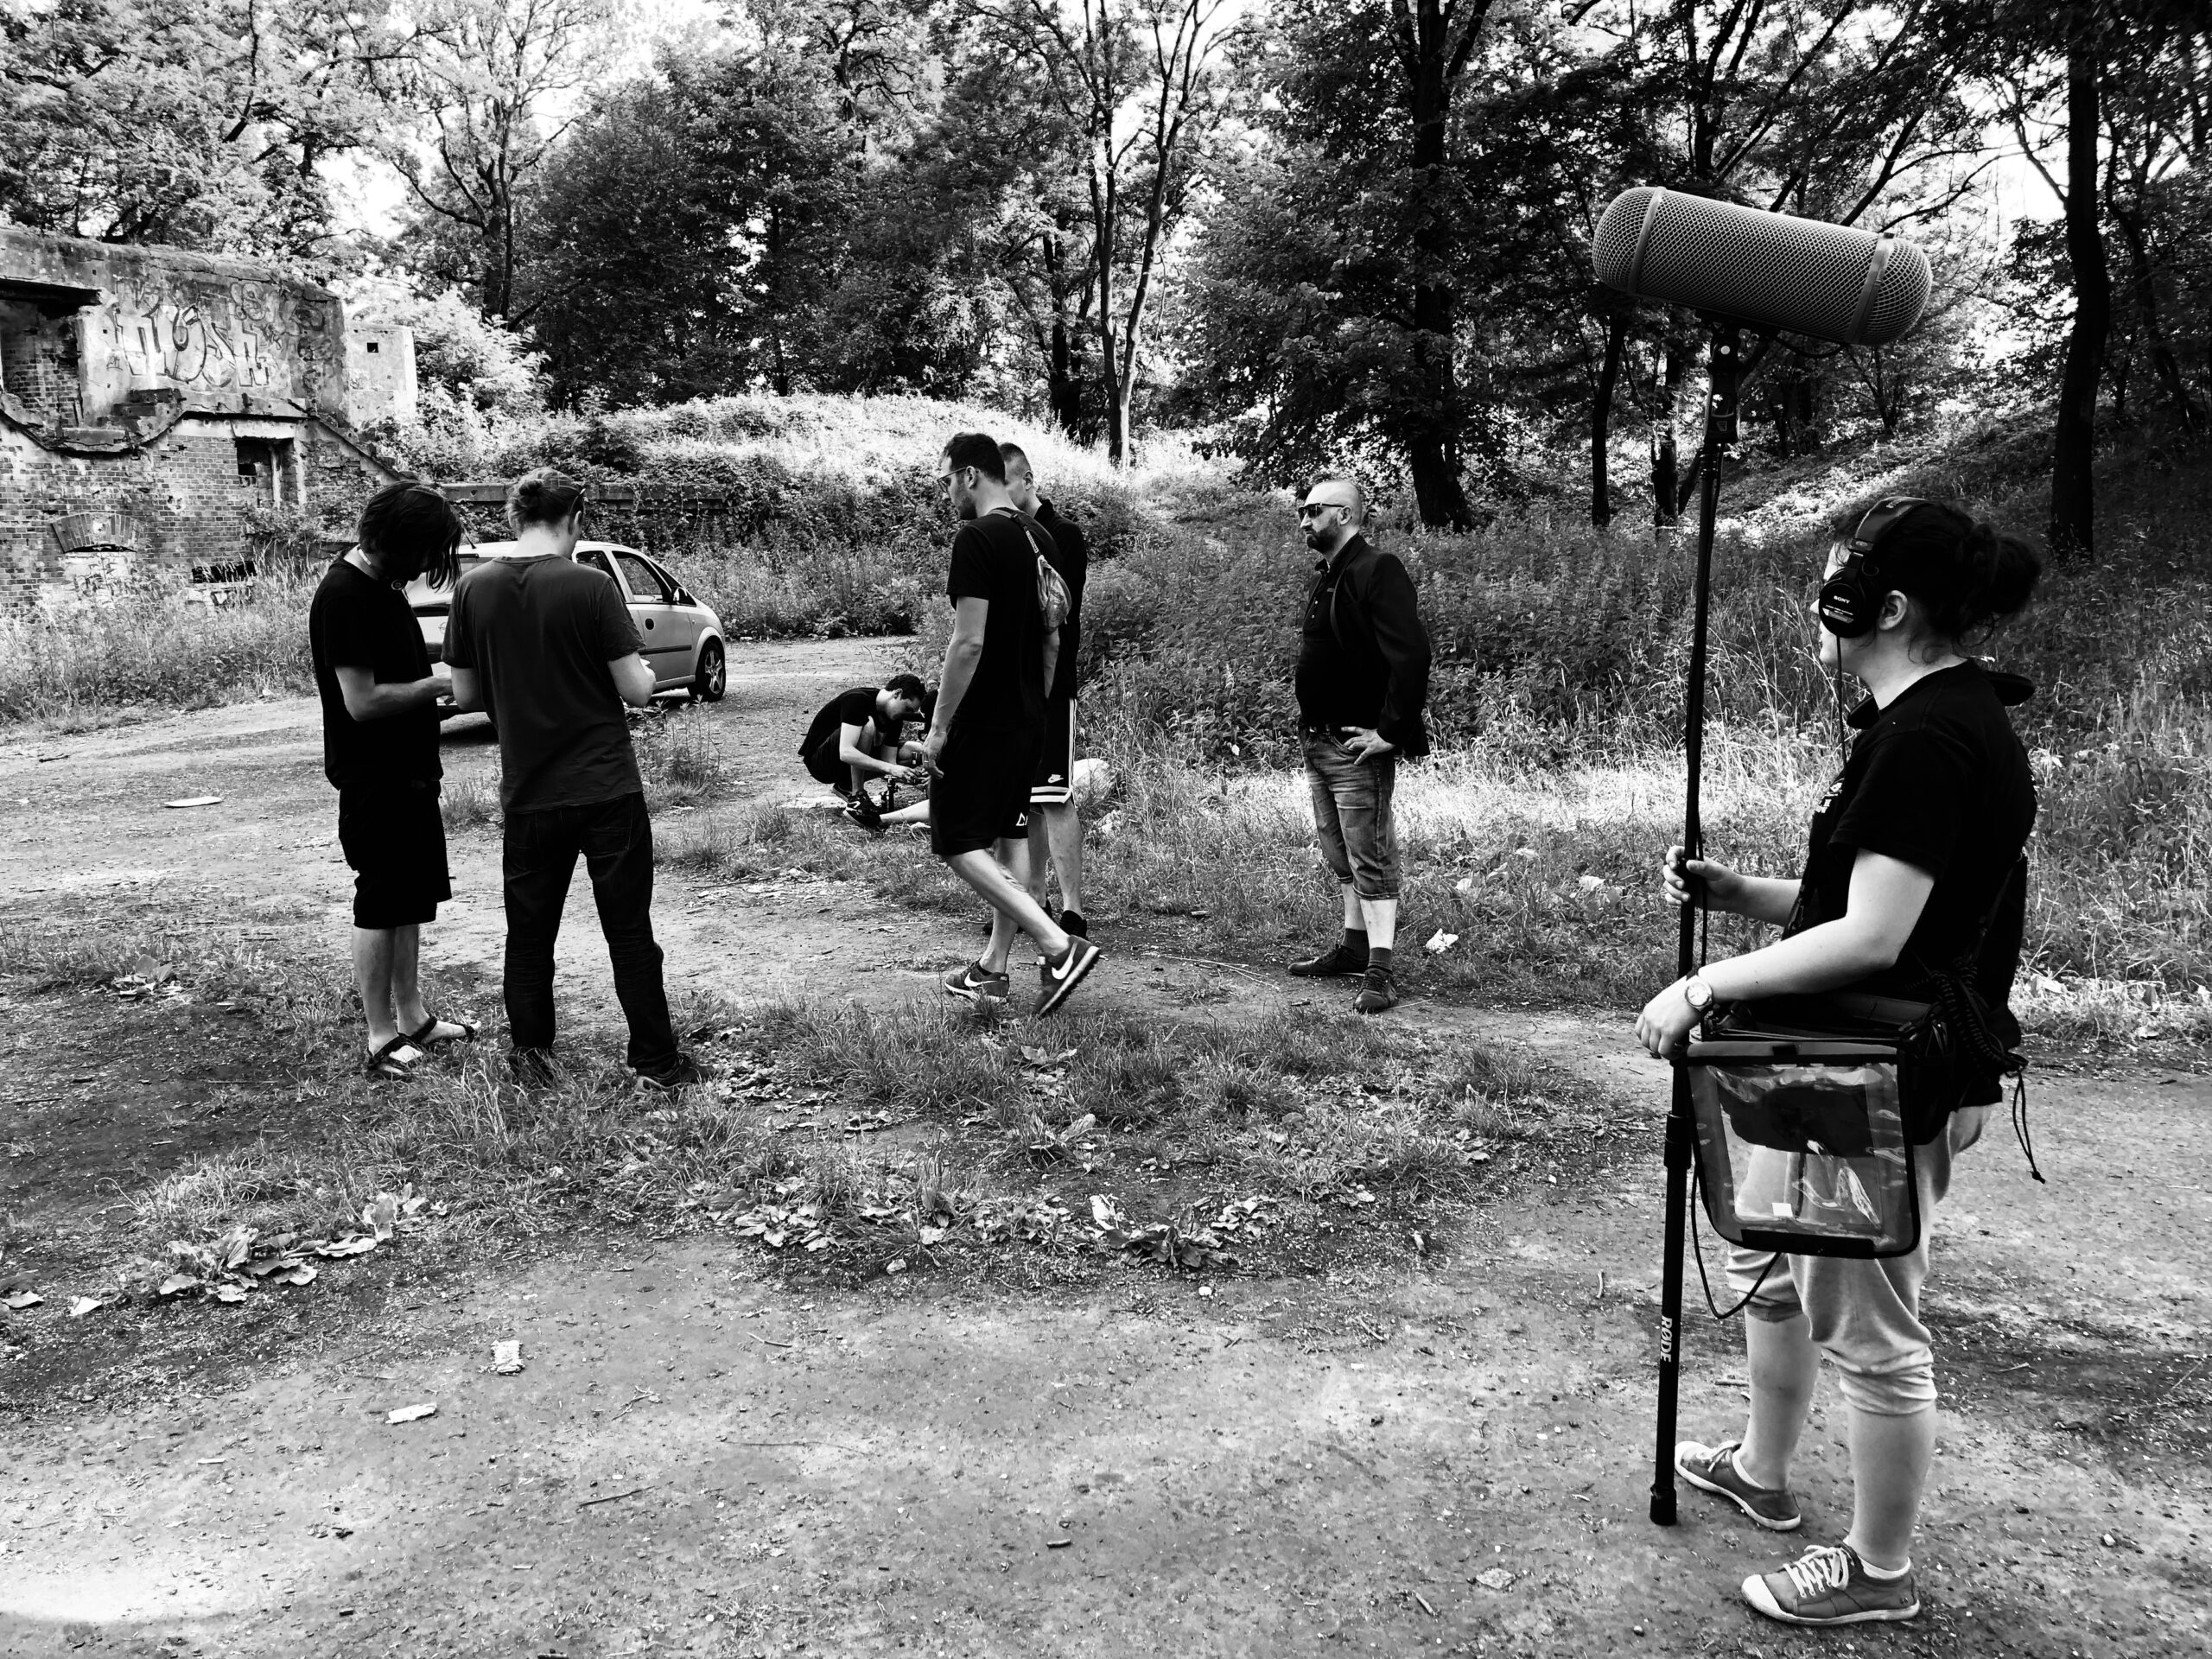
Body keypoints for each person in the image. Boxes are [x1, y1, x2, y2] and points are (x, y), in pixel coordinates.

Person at [1636, 498, 2041, 1628]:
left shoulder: (1928, 739)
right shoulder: (1928, 719)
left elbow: (1872, 941)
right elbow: (1874, 907)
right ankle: (1762, 1473)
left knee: (1869, 1327)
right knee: (1772, 1266)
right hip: (1835, 1059)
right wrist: (1741, 895)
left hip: (1873, 1071)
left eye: (1834, 584)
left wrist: (1702, 986)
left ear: (1886, 607)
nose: (1819, 606)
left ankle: (1877, 1569)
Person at [443, 468, 704, 1091]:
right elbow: (637, 690)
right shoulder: (591, 585)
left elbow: (465, 695)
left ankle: (531, 1060)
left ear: (515, 518)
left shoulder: (473, 588)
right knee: (629, 931)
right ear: (577, 517)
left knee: (529, 936)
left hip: (529, 791)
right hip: (605, 786)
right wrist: (639, 668)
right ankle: (657, 1063)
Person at [924, 431, 1102, 1016]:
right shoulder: (1040, 536)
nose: (947, 492)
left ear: (970, 475)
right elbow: (1053, 636)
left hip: (986, 718)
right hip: (1030, 715)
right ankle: (993, 969)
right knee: (1011, 836)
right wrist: (1037, 703)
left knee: (956, 840)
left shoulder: (977, 537)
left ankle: (1058, 946)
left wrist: (940, 728)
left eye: (948, 479)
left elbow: (968, 643)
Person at [308, 480, 477, 1080]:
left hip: (410, 775)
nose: (428, 566)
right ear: (398, 542)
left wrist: (438, 698)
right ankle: (380, 1035)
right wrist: (436, 686)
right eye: (427, 552)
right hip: (374, 780)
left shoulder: (383, 588)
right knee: (381, 903)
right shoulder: (345, 596)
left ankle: (414, 1017)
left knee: (410, 901)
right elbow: (361, 702)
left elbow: (394, 681)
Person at [1286, 476, 1431, 1014]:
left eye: (1313, 510)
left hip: (1355, 745)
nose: (1304, 520)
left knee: (1369, 854)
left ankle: (1380, 971)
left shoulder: (1377, 568)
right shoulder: (1330, 574)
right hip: (1318, 740)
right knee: (1339, 850)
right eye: (1303, 510)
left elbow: (1411, 655)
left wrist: (1390, 732)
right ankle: (1353, 948)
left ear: (1344, 515)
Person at [1002, 442, 1090, 938]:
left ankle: (1073, 910)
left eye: (1007, 483)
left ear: (1028, 480)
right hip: (1017, 688)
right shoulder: (1007, 533)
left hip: (1052, 684)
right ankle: (1036, 899)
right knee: (1026, 797)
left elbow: (1052, 611)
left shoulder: (1063, 533)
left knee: (1055, 796)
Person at [799, 673, 929, 810]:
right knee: (868, 726)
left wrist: (911, 777)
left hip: (849, 763)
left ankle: (845, 785)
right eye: (907, 708)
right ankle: (857, 794)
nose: (906, 714)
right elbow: (846, 753)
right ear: (897, 693)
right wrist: (891, 768)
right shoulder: (858, 700)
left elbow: (889, 761)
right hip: (822, 763)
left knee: (916, 752)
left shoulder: (894, 716)